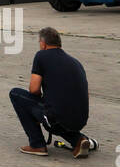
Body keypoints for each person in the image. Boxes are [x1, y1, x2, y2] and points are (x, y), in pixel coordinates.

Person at [9, 27, 91, 158]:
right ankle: (79, 140)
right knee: (58, 112)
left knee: (16, 94)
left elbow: (34, 89)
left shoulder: (41, 56)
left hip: (57, 120)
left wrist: (35, 110)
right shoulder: (76, 62)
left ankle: (37, 144)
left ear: (43, 44)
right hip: (80, 120)